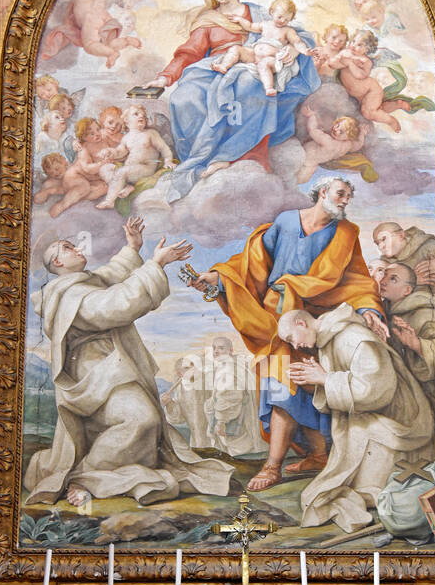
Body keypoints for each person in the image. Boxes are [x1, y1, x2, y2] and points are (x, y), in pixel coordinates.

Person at [190, 177, 387, 492]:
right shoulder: (284, 222)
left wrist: (369, 311)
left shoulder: (346, 233)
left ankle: (316, 455)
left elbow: (358, 279)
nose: (345, 200)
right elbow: (252, 264)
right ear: (322, 193)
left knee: (310, 389)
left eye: (349, 196)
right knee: (279, 385)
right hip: (278, 323)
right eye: (340, 194)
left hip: (315, 325)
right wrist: (218, 279)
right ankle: (274, 466)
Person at [24, 216, 233, 507]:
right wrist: (155, 265)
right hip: (97, 373)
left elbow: (109, 275)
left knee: (145, 422)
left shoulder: (78, 284)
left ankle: (100, 474)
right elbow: (115, 304)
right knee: (141, 419)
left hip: (108, 367)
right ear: (57, 264)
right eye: (68, 247)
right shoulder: (69, 295)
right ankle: (86, 477)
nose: (78, 248)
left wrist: (132, 248)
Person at [147, 0, 320, 199]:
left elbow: (296, 33)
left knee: (249, 85)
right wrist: (164, 78)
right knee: (183, 97)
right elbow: (188, 54)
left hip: (253, 63)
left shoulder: (259, 13)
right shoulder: (208, 20)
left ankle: (231, 156)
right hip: (213, 67)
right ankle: (199, 158)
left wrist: (292, 50)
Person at [281, 305, 435, 532]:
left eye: (291, 338)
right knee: (329, 490)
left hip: (396, 421)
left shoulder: (353, 337)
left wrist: (326, 379)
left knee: (361, 491)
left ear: (301, 324)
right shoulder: (330, 339)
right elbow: (342, 388)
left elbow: (377, 390)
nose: (295, 346)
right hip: (367, 416)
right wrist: (319, 380)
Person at [375, 260, 435, 452]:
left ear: (407, 291)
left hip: (434, 399)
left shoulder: (425, 312)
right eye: (384, 275)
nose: (383, 281)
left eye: (393, 279)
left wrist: (417, 345)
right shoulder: (384, 311)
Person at [212, 0, 312, 97]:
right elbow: (250, 26)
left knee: (263, 64)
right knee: (236, 49)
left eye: (287, 20)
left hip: (272, 60)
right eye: (280, 17)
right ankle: (224, 66)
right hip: (254, 55)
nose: (282, 21)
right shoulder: (265, 25)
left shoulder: (288, 30)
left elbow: (297, 42)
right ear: (272, 12)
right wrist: (240, 19)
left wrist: (305, 50)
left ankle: (269, 88)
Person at [203, 336, 264, 457]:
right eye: (214, 348)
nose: (215, 351)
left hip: (235, 420)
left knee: (238, 451)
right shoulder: (233, 365)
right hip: (242, 416)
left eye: (221, 348)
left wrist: (221, 421)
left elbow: (231, 397)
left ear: (230, 350)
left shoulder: (229, 369)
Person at [372, 220, 435, 295]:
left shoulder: (430, 247)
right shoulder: (384, 263)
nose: (380, 246)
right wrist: (411, 281)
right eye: (377, 243)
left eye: (384, 239)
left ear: (401, 235)